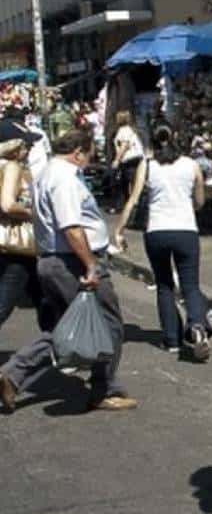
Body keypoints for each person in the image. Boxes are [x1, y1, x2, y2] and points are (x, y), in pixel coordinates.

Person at [0, 129, 136, 413]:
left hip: (53, 259)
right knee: (109, 324)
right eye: (88, 155)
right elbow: (71, 227)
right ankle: (104, 389)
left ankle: (13, 374)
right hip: (70, 261)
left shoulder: (46, 174)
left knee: (67, 327)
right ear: (78, 152)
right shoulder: (63, 179)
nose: (88, 162)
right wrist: (90, 265)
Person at [112, 126, 212, 359]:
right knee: (190, 285)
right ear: (176, 138)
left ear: (153, 143)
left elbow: (134, 200)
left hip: (156, 231)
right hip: (186, 230)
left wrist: (119, 230)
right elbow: (199, 201)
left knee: (164, 285)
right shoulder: (191, 165)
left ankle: (172, 339)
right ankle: (197, 325)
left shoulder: (146, 165)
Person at [0, 131, 49, 335]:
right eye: (26, 145)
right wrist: (34, 212)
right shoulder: (12, 167)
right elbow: (8, 205)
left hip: (15, 244)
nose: (29, 149)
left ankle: (58, 345)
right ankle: (59, 346)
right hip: (16, 245)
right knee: (5, 299)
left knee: (42, 295)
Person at [110, 110, 144, 211]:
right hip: (136, 158)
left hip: (129, 159)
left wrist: (116, 160)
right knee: (131, 181)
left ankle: (127, 205)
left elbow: (124, 146)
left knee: (125, 182)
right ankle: (130, 204)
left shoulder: (123, 131)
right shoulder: (130, 130)